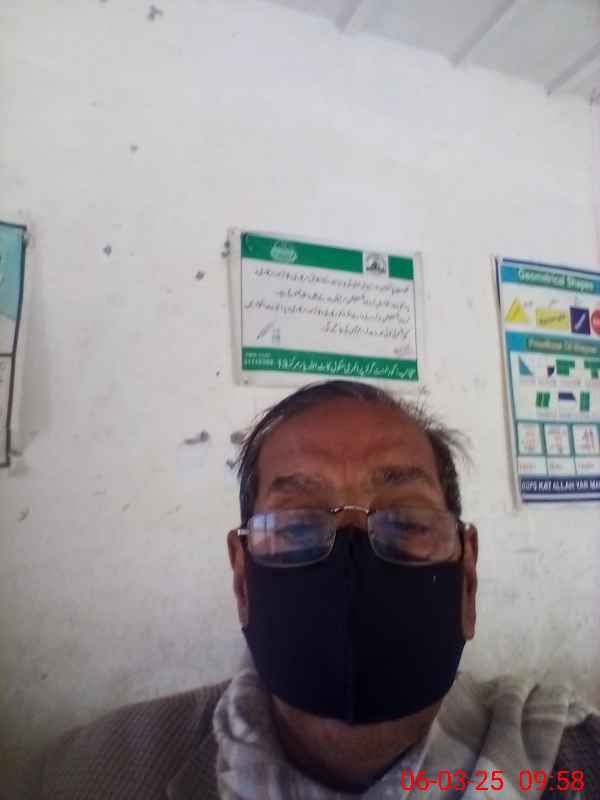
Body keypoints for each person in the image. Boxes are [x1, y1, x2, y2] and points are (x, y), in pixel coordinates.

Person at [17, 381, 600, 799]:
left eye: (407, 520)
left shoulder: (575, 760)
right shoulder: (90, 775)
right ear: (243, 581)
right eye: (296, 525)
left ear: (467, 579)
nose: (353, 560)